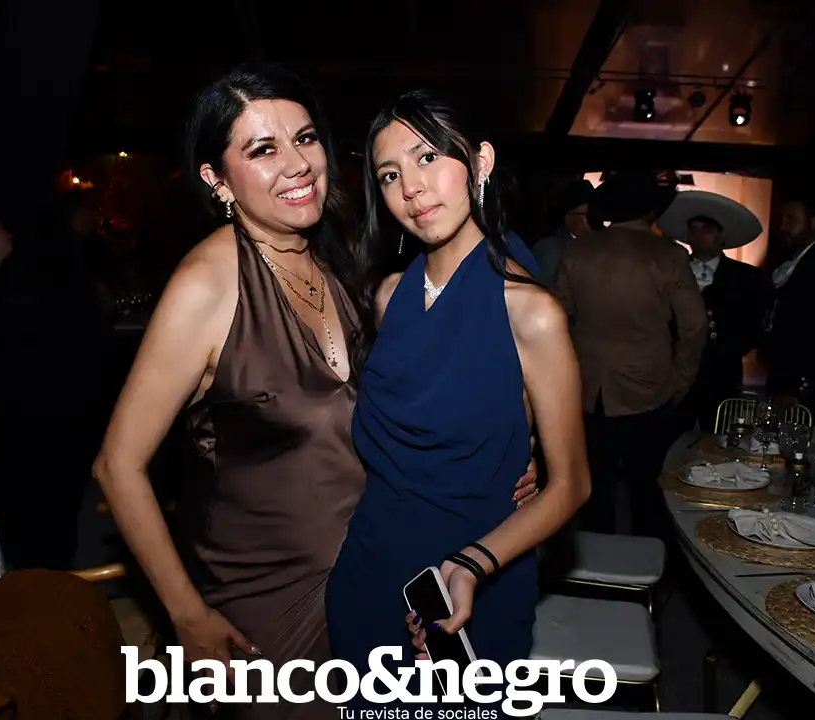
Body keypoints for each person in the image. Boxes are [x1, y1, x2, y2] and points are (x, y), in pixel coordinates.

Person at [91, 64, 537, 720]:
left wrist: (516, 449)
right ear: (217, 180)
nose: (297, 164)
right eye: (262, 150)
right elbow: (118, 465)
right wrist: (186, 614)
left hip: (371, 578)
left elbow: (420, 397)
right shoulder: (207, 285)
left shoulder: (337, 265)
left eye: (304, 139)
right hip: (262, 606)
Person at [326, 90, 590, 708]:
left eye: (427, 157)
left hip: (477, 579)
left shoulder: (532, 312)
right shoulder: (388, 297)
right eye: (389, 175)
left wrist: (473, 563)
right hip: (368, 573)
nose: (411, 188)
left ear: (480, 162)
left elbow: (572, 484)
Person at [554, 170, 706, 537]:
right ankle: (648, 564)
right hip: (650, 390)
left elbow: (555, 317)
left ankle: (596, 562)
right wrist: (680, 382)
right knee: (648, 493)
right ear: (651, 210)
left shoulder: (579, 250)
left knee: (594, 492)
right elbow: (695, 326)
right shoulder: (669, 255)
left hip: (589, 389)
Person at [0, 213, 105, 571]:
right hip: (61, 414)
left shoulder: (27, 277)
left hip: (36, 417)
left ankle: (36, 591)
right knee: (51, 519)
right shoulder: (56, 268)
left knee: (30, 523)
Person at [657, 190, 770, 433]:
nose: (698, 236)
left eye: (706, 230)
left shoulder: (747, 277)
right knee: (670, 437)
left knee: (719, 438)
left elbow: (754, 327)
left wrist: (723, 349)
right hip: (674, 374)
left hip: (722, 376)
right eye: (693, 229)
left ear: (721, 236)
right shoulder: (670, 270)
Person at [760, 195, 815, 422]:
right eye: (782, 220)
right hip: (784, 372)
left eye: (791, 219)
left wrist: (793, 383)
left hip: (803, 378)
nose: (783, 227)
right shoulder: (791, 261)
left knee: (792, 434)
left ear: (814, 222)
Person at [531, 178, 594, 286]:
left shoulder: (599, 243)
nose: (594, 222)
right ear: (568, 217)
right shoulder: (549, 248)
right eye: (588, 216)